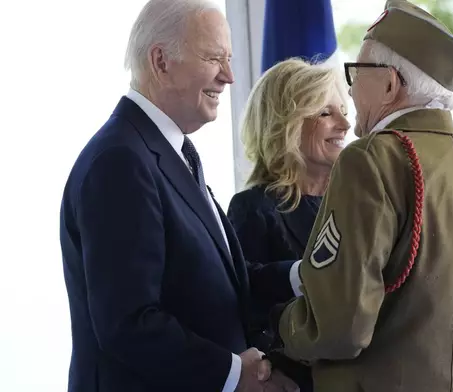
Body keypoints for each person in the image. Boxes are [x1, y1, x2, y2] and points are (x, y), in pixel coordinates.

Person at [268, 0, 453, 391]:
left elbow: (339, 326)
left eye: (356, 72)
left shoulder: (373, 158)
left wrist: (277, 322)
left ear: (389, 84)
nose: (350, 90)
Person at [58, 0, 298, 391]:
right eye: (214, 58)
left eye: (230, 59)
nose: (230, 77)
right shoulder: (120, 161)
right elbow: (129, 323)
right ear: (160, 61)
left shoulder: (166, 150)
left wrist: (304, 276)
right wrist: (234, 375)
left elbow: (215, 279)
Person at [227, 58, 349, 348]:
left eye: (343, 112)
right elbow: (244, 312)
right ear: (287, 125)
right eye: (325, 113)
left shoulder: (354, 204)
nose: (345, 124)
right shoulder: (253, 208)